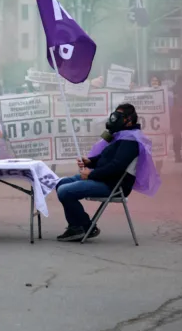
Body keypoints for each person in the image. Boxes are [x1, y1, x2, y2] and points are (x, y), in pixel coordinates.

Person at [55, 103, 160, 242]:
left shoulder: (131, 140)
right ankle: (78, 226)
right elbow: (105, 158)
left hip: (113, 185)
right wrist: (90, 162)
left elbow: (116, 166)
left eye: (119, 116)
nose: (114, 119)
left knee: (64, 191)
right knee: (61, 183)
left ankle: (84, 227)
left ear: (129, 120)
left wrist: (91, 174)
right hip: (102, 178)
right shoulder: (121, 135)